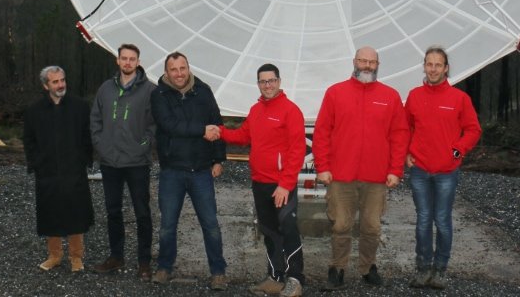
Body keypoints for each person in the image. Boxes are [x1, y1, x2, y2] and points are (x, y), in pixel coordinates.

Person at [312, 46, 409, 290]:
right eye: (363, 61)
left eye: (371, 62)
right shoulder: (336, 93)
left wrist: (395, 170)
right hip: (340, 175)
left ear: (378, 64)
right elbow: (322, 132)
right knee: (341, 225)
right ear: (354, 61)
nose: (367, 65)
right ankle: (337, 269)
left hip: (376, 177)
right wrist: (322, 166)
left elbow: (399, 135)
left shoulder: (390, 96)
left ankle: (368, 268)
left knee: (371, 227)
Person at [209, 63, 307, 297]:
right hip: (260, 182)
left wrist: (285, 184)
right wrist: (220, 132)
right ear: (258, 84)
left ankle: (295, 279)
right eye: (263, 81)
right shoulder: (256, 110)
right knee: (270, 231)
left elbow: (297, 150)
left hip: (282, 185)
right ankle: (275, 277)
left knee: (289, 230)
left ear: (279, 82)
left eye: (271, 80)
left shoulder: (291, 111)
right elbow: (243, 136)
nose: (267, 85)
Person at [404, 46, 481, 290]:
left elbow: (473, 129)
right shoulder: (414, 96)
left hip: (447, 171)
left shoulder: (459, 98)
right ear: (424, 66)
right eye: (429, 64)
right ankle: (423, 268)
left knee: (443, 220)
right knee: (424, 220)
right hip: (420, 171)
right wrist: (407, 152)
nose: (433, 69)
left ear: (446, 68)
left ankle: (440, 270)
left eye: (438, 64)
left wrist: (457, 151)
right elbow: (405, 128)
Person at [150, 51, 229, 291]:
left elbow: (217, 122)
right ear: (166, 72)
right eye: (173, 69)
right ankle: (164, 267)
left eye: (182, 68)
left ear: (188, 68)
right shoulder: (159, 94)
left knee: (211, 225)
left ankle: (218, 271)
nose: (179, 74)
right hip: (172, 170)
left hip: (201, 170)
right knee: (167, 225)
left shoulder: (203, 91)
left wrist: (218, 158)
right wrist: (201, 130)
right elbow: (169, 125)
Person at [90, 44, 156, 280]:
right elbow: (95, 120)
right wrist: (102, 146)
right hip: (110, 162)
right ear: (117, 61)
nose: (128, 62)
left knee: (142, 213)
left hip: (137, 162)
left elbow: (154, 125)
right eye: (124, 58)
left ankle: (144, 262)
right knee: (113, 211)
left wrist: (143, 146)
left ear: (138, 62)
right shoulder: (105, 89)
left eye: (132, 59)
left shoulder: (149, 90)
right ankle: (116, 257)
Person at [22, 66, 94, 273]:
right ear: (46, 85)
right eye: (55, 82)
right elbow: (29, 140)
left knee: (75, 213)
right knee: (50, 213)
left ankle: (76, 257)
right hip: (47, 172)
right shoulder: (34, 111)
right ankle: (54, 255)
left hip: (74, 170)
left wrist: (83, 160)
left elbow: (86, 136)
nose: (61, 85)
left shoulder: (80, 107)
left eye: (62, 80)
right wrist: (36, 163)